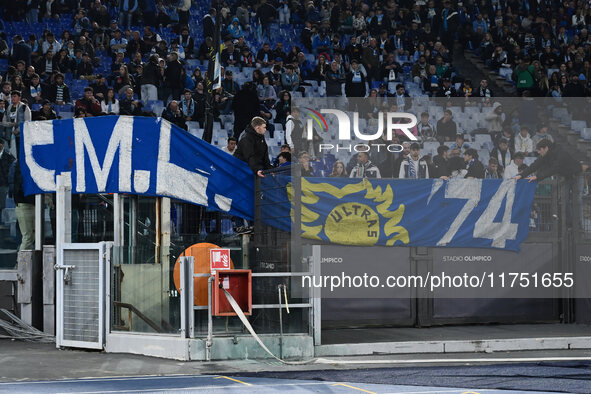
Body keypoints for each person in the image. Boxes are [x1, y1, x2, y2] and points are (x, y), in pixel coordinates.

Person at [8, 159, 35, 251]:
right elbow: (15, 185)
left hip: (28, 203)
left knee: (31, 237)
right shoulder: (18, 165)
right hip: (24, 203)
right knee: (28, 237)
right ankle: (20, 263)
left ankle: (24, 261)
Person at [2, 91, 32, 158]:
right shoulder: (9, 108)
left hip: (21, 136)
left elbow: (27, 122)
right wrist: (11, 124)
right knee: (10, 155)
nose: (13, 98)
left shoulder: (25, 107)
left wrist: (18, 130)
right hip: (9, 135)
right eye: (12, 96)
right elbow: (3, 122)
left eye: (15, 96)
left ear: (19, 98)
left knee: (20, 155)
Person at [0, 138, 15, 219]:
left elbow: (12, 169)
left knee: (2, 203)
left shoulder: (8, 156)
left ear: (2, 145)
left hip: (3, 183)